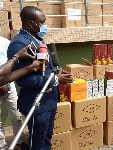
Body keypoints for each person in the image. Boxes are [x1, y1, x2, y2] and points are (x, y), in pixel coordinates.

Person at [7, 6, 73, 150]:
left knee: (46, 141)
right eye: (41, 22)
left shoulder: (37, 38)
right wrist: (55, 79)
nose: (44, 26)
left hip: (49, 100)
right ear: (31, 23)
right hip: (36, 103)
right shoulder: (20, 43)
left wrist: (56, 73)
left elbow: (43, 69)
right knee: (38, 145)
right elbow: (22, 79)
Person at [0, 31, 42, 150]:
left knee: (16, 116)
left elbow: (11, 68)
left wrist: (30, 66)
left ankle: (19, 141)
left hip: (9, 86)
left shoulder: (6, 42)